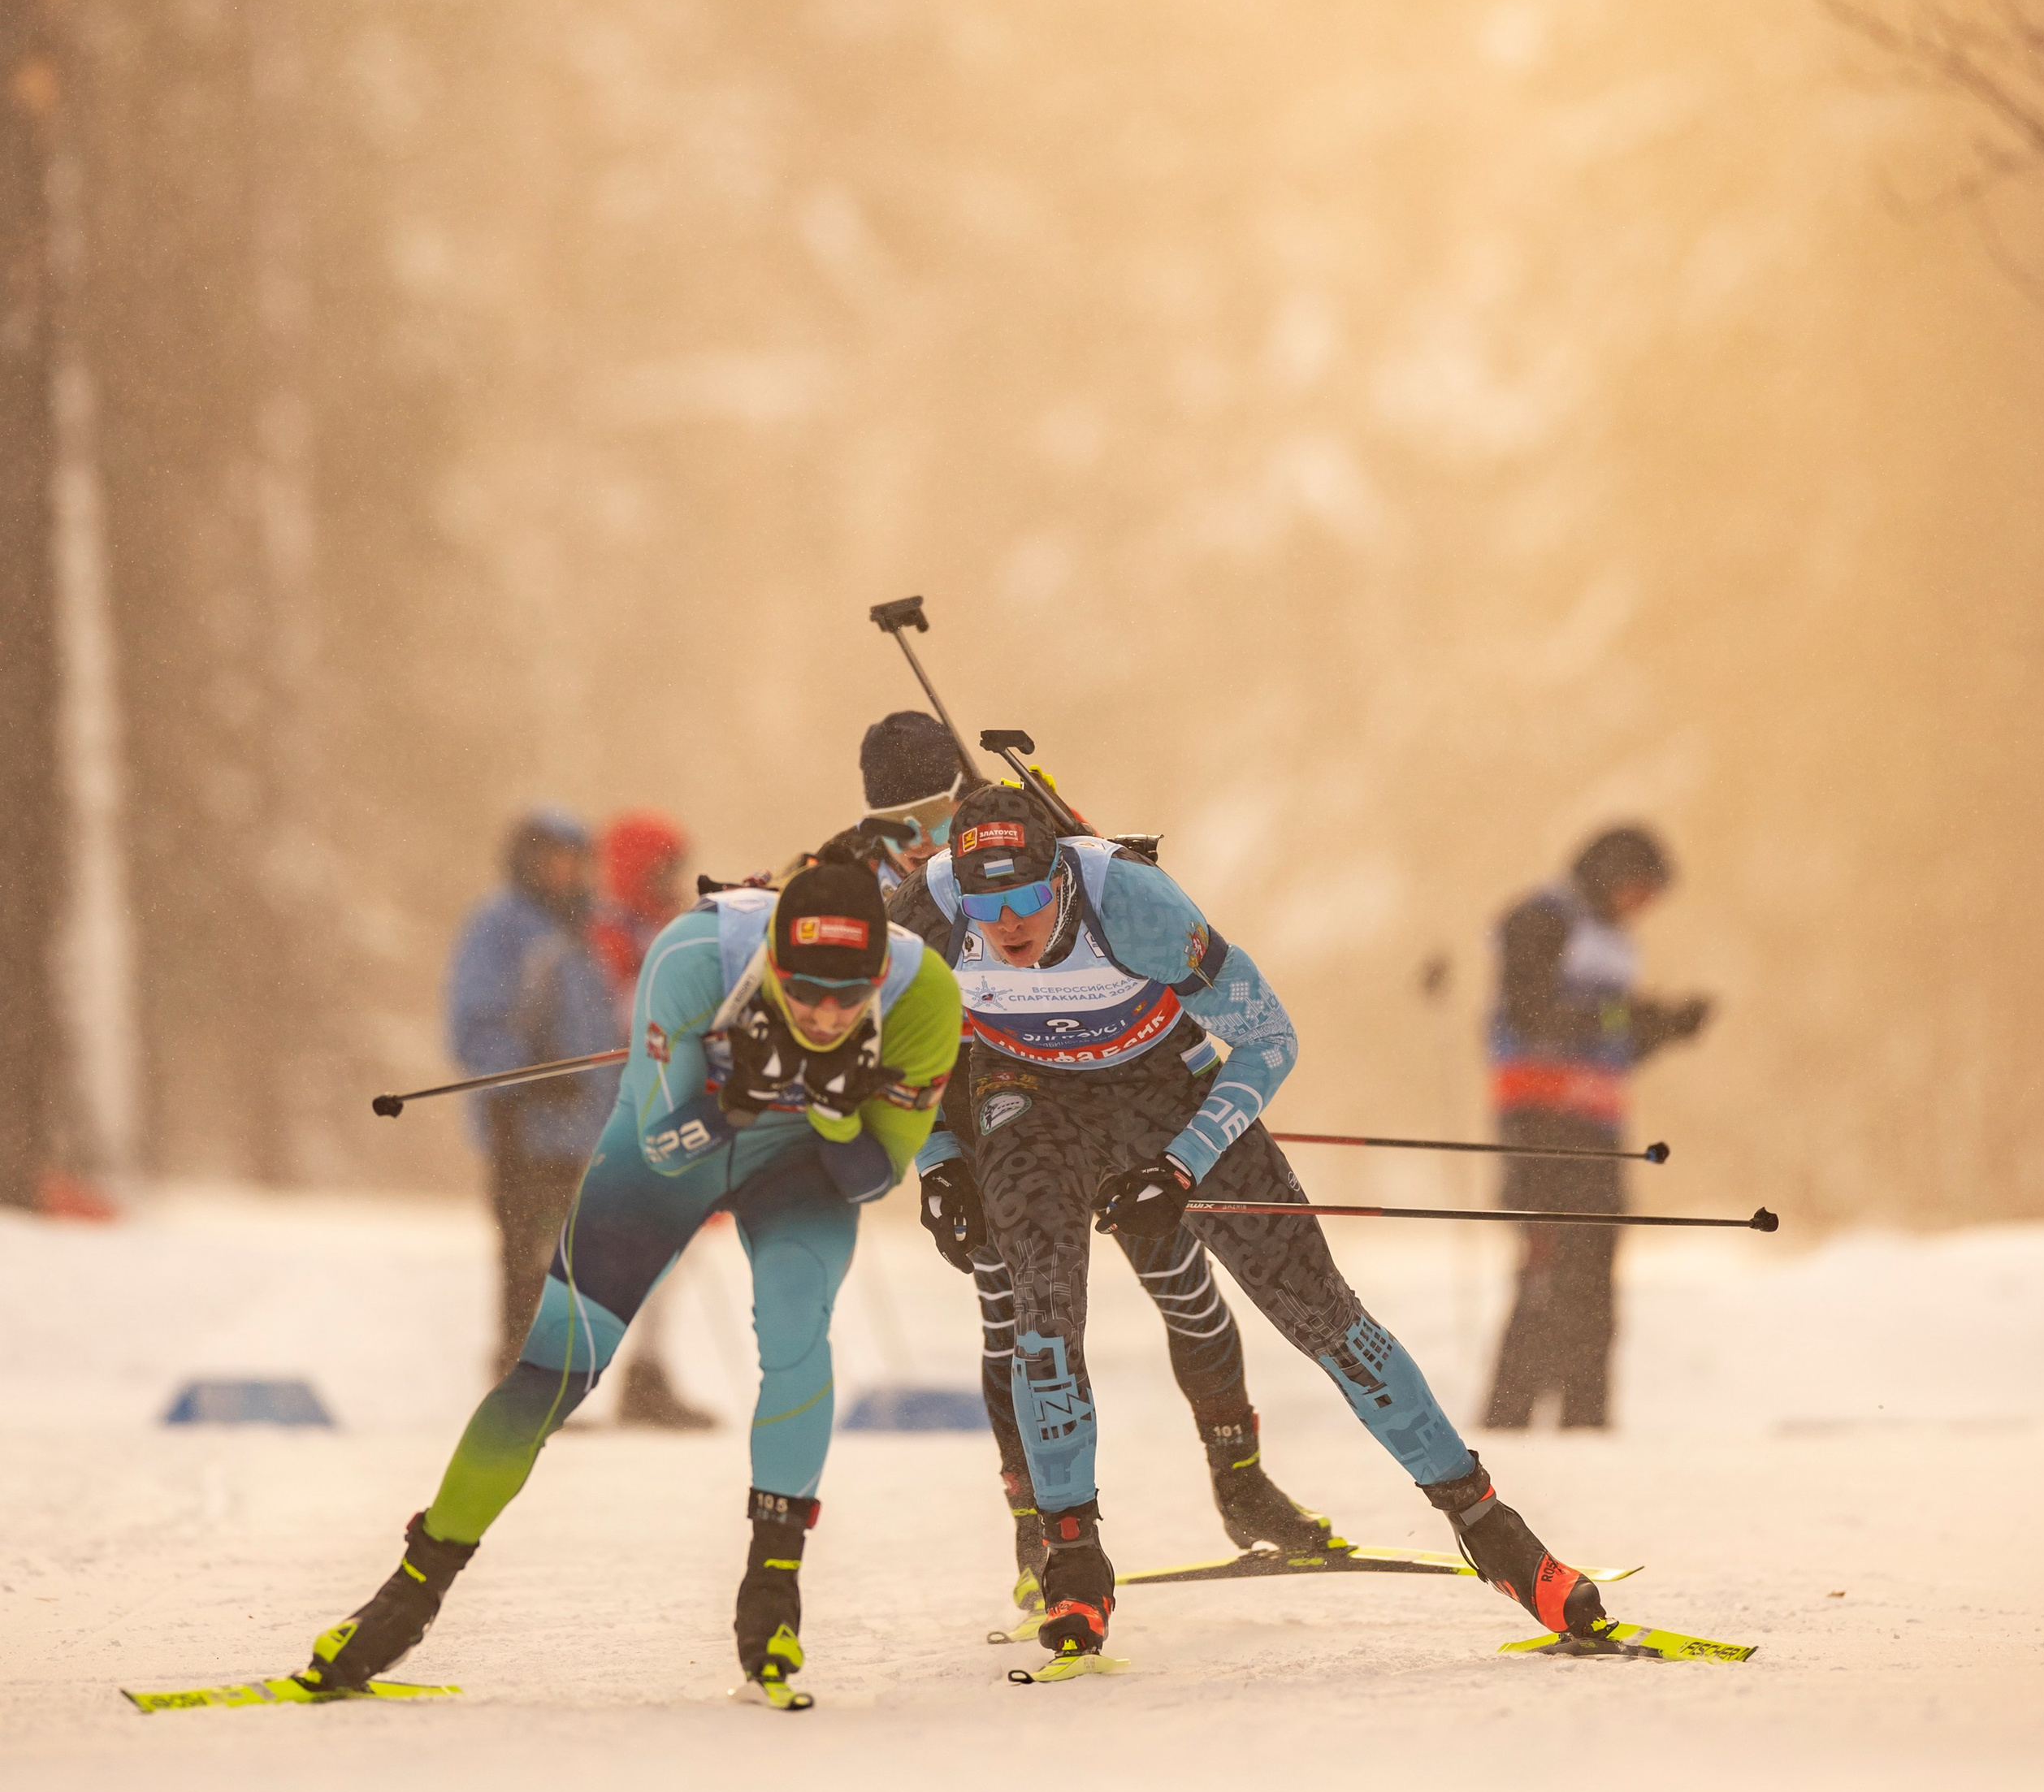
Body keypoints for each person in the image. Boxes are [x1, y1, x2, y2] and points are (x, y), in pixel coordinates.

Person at [903, 783, 1606, 1667]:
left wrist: (1180, 1164)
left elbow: (1270, 1039)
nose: (1007, 923)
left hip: (1168, 1087)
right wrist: (937, 1165)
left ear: (1061, 879)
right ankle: (1073, 1555)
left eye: (1028, 898)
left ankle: (1492, 1531)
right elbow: (906, 1046)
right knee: (1042, 1311)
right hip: (1030, 1099)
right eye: (987, 904)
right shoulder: (923, 916)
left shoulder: (1132, 901)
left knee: (1322, 1312)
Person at [297, 848, 963, 1710]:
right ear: (769, 963)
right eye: (803, 992)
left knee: (797, 1327)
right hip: (673, 1151)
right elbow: (660, 1144)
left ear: (880, 973)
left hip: (805, 1169)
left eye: (849, 996)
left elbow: (872, 1179)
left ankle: (773, 1584)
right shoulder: (693, 959)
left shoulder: (926, 994)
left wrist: (833, 1112)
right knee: (556, 1363)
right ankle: (408, 1594)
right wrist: (737, 1096)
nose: (827, 1015)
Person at [859, 712, 1332, 1612]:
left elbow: (1110, 902)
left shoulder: (1013, 840)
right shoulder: (862, 876)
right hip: (984, 1111)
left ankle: (1241, 1482)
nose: (922, 837)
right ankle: (1039, 1527)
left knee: (1182, 1278)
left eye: (937, 809)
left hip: (1092, 1094)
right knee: (1017, 1317)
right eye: (898, 823)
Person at [1481, 823, 1713, 1431]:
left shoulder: (1614, 940)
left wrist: (1664, 1026)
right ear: (1613, 874)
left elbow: (1611, 1039)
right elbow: (1532, 1012)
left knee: (1595, 1280)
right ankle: (1508, 1424)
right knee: (1545, 1273)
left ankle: (1587, 1424)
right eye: (1641, 891)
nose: (1644, 908)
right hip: (1537, 1122)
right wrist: (1627, 1014)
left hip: (1597, 1127)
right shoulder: (1541, 918)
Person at [446, 809, 619, 1379]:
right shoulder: (502, 925)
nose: (565, 871)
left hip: (586, 1124)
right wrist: (529, 1075)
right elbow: (474, 1021)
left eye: (575, 860)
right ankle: (520, 1363)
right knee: (528, 1253)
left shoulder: (587, 927)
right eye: (553, 859)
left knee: (575, 1252)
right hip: (521, 1125)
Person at [589, 811, 719, 1432]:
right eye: (659, 866)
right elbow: (616, 1008)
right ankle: (594, 1368)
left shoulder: (668, 925)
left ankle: (648, 1369)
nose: (669, 877)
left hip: (675, 1098)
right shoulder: (608, 931)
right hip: (624, 1103)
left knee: (670, 1242)